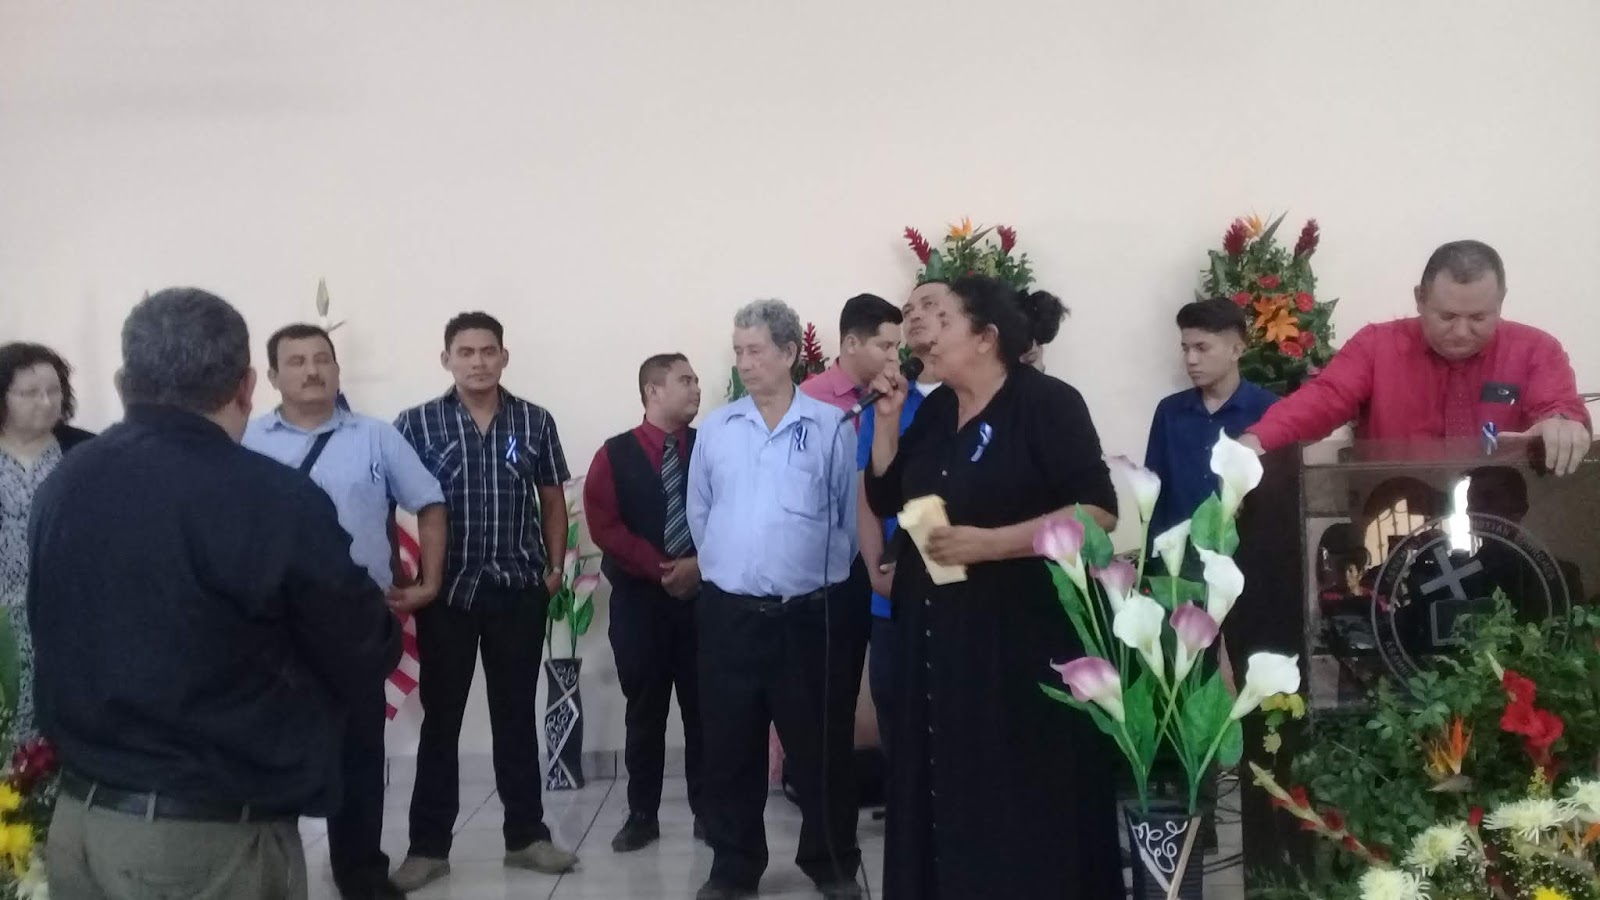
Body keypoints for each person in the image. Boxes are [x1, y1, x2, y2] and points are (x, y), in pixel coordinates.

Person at [30, 288, 400, 898]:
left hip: (80, 825)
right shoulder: (267, 497)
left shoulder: (68, 478)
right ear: (248, 385)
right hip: (203, 841)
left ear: (125, 383)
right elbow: (363, 646)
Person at [862, 275, 1123, 898]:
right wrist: (888, 422)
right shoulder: (936, 412)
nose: (923, 328)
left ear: (985, 338)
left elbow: (1098, 512)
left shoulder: (1047, 403)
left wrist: (990, 543)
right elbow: (888, 494)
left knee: (1016, 792)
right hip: (938, 638)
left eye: (940, 316)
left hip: (1020, 639)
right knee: (944, 786)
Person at [243, 323, 448, 900]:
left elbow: (430, 501)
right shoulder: (246, 441)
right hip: (271, 623)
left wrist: (430, 581)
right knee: (272, 747)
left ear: (337, 369)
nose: (312, 371)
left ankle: (360, 872)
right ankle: (269, 874)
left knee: (359, 750)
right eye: (297, 361)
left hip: (357, 617)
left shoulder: (376, 437)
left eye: (322, 359)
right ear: (272, 376)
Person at [688, 299, 869, 900]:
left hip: (808, 616)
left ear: (790, 352)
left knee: (821, 747)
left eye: (756, 350)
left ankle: (832, 863)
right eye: (738, 351)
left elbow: (846, 519)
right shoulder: (717, 429)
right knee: (729, 748)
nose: (745, 363)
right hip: (730, 617)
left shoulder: (831, 427)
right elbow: (700, 512)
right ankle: (733, 867)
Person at [390, 312, 579, 889]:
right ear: (445, 358)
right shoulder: (415, 423)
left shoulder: (534, 420)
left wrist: (554, 570)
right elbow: (386, 499)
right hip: (445, 592)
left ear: (504, 357)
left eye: (488, 351)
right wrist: (403, 576)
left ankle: (526, 838)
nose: (478, 362)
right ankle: (427, 848)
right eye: (466, 352)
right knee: (441, 723)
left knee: (515, 717)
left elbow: (552, 498)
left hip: (518, 590)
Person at [1242, 240, 1592, 475]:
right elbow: (1324, 399)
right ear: (1419, 299)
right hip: (1394, 518)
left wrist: (1562, 424)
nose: (1461, 332)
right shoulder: (1376, 347)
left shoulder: (1536, 349)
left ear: (1500, 303)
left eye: (1479, 318)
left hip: (1504, 525)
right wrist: (1257, 441)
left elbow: (1560, 407)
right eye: (1447, 316)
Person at [583, 353, 707, 853]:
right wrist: (662, 568)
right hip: (640, 604)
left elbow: (732, 512)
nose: (696, 388)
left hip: (703, 600)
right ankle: (641, 815)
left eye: (696, 380)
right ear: (653, 391)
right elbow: (604, 525)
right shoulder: (614, 454)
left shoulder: (711, 447)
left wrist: (698, 565)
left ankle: (709, 812)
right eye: (685, 380)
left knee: (705, 711)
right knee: (645, 712)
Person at [0, 343, 93, 744]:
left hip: (68, 616)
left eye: (54, 391)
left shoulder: (85, 451)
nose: (46, 402)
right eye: (29, 393)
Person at [1145, 298, 1278, 536]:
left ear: (1236, 350)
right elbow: (1154, 494)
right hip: (1179, 554)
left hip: (1248, 552)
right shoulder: (1169, 411)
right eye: (1186, 349)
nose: (1191, 359)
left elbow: (1282, 500)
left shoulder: (1269, 411)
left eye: (1202, 348)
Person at [800, 293, 904, 419]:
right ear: (852, 344)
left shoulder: (897, 396)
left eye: (896, 347)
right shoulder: (808, 398)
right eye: (886, 346)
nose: (894, 356)